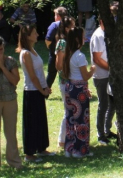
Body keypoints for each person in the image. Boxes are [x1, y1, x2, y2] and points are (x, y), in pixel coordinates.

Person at [17, 24, 54, 163]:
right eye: (34, 33)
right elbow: (32, 76)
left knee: (40, 121)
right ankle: (29, 154)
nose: (37, 34)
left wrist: (46, 88)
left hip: (38, 90)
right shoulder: (25, 53)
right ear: (27, 36)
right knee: (32, 123)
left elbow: (39, 73)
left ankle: (41, 148)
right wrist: (42, 90)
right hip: (31, 92)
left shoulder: (32, 50)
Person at [62, 27, 95, 158]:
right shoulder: (79, 56)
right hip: (79, 90)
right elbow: (85, 76)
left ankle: (69, 148)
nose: (84, 38)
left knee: (70, 119)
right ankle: (80, 150)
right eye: (82, 36)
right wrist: (92, 70)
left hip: (70, 87)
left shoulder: (68, 54)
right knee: (81, 119)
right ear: (77, 39)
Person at [90, 18, 116, 145]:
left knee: (113, 104)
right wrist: (112, 69)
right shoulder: (99, 35)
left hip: (109, 74)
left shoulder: (107, 33)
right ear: (101, 21)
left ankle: (107, 130)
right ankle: (101, 134)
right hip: (101, 76)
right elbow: (97, 58)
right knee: (104, 105)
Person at [0, 36, 23, 169]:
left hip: (10, 100)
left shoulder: (10, 62)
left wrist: (3, 67)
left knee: (11, 133)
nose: (0, 52)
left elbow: (15, 80)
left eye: (1, 49)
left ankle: (14, 161)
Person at [54, 16, 76, 148]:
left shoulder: (70, 42)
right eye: (73, 26)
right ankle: (62, 140)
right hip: (65, 81)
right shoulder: (62, 43)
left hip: (71, 80)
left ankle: (69, 138)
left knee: (71, 110)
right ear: (67, 29)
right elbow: (58, 66)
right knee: (68, 111)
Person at [45, 6, 68, 88]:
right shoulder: (70, 23)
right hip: (68, 53)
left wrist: (49, 47)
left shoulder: (54, 25)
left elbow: (48, 39)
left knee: (51, 73)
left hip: (55, 53)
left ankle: (45, 92)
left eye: (55, 15)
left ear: (58, 16)